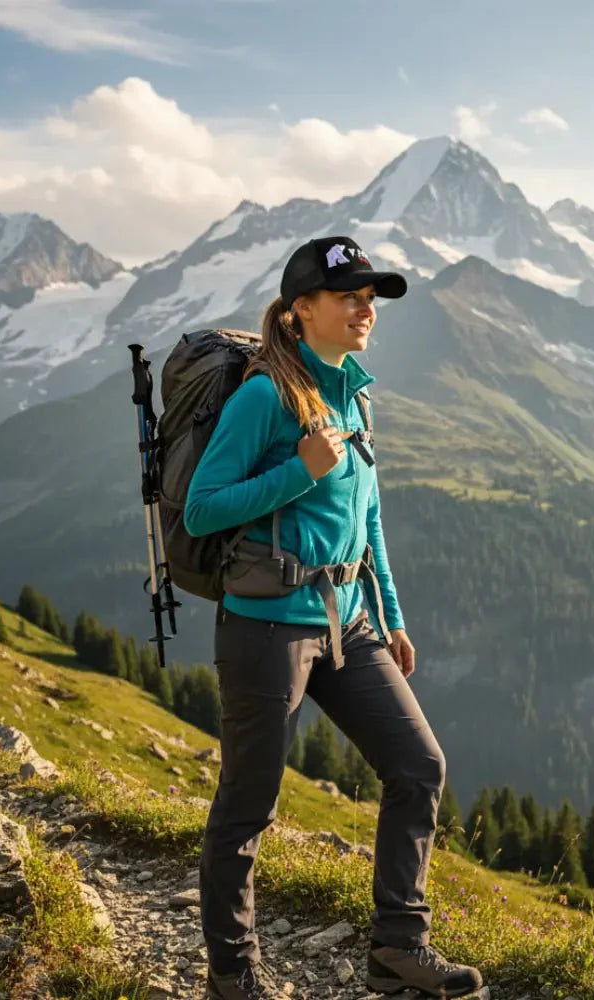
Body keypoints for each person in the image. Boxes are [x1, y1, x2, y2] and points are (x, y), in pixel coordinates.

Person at [183, 236, 484, 1000]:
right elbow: (203, 507)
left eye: (370, 296)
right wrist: (299, 470)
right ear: (298, 312)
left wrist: (392, 616)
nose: (365, 307)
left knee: (419, 767)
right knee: (248, 804)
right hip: (266, 627)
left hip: (348, 624)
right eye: (349, 294)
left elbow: (368, 515)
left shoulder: (354, 393)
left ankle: (398, 947)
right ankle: (233, 973)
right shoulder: (264, 397)